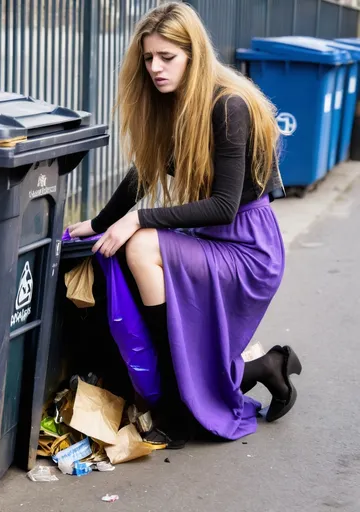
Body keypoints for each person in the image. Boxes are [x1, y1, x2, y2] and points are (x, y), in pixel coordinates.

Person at [68, 2, 302, 447]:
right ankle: (266, 368)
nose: (155, 68)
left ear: (194, 55)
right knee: (136, 256)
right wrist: (99, 223)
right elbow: (146, 172)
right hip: (212, 240)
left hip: (248, 249)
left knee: (139, 246)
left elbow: (224, 207)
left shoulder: (229, 106)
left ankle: (174, 410)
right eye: (149, 58)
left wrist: (135, 220)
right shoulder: (171, 103)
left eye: (167, 57)